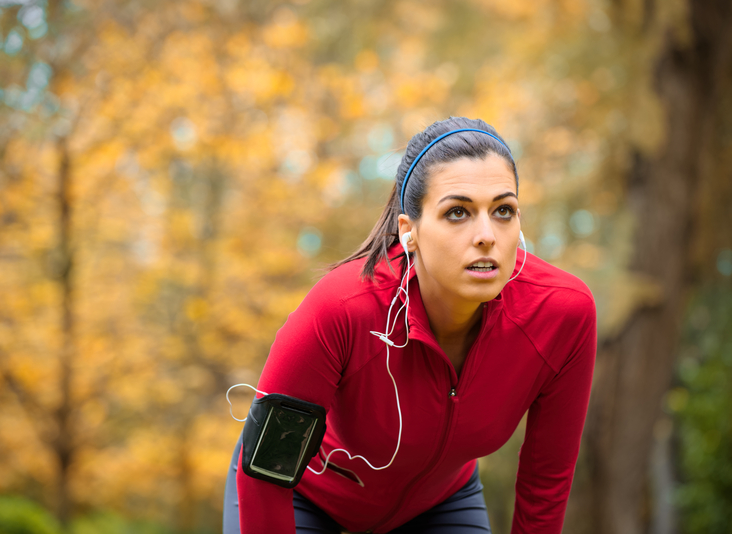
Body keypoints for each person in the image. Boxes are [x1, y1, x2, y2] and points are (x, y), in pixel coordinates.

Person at [223, 117, 597, 533]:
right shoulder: (343, 308)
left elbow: (545, 483)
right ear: (409, 232)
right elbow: (267, 469)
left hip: (439, 506)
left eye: (503, 210)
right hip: (300, 497)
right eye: (458, 212)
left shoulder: (562, 313)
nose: (487, 235)